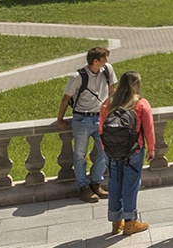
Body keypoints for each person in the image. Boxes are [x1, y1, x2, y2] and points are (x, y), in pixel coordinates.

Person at [56, 47, 118, 203]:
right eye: (104, 59)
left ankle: (96, 183)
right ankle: (83, 187)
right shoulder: (77, 77)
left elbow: (112, 91)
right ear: (95, 61)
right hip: (81, 120)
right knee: (80, 155)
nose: (107, 62)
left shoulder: (107, 70)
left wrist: (114, 111)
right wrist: (60, 118)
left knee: (105, 152)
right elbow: (66, 99)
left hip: (101, 118)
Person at [98, 70, 154, 235]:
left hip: (112, 151)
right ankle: (130, 222)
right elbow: (149, 130)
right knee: (130, 185)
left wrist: (105, 148)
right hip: (134, 150)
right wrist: (151, 149)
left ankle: (116, 223)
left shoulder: (108, 103)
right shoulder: (141, 103)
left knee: (114, 184)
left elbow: (101, 129)